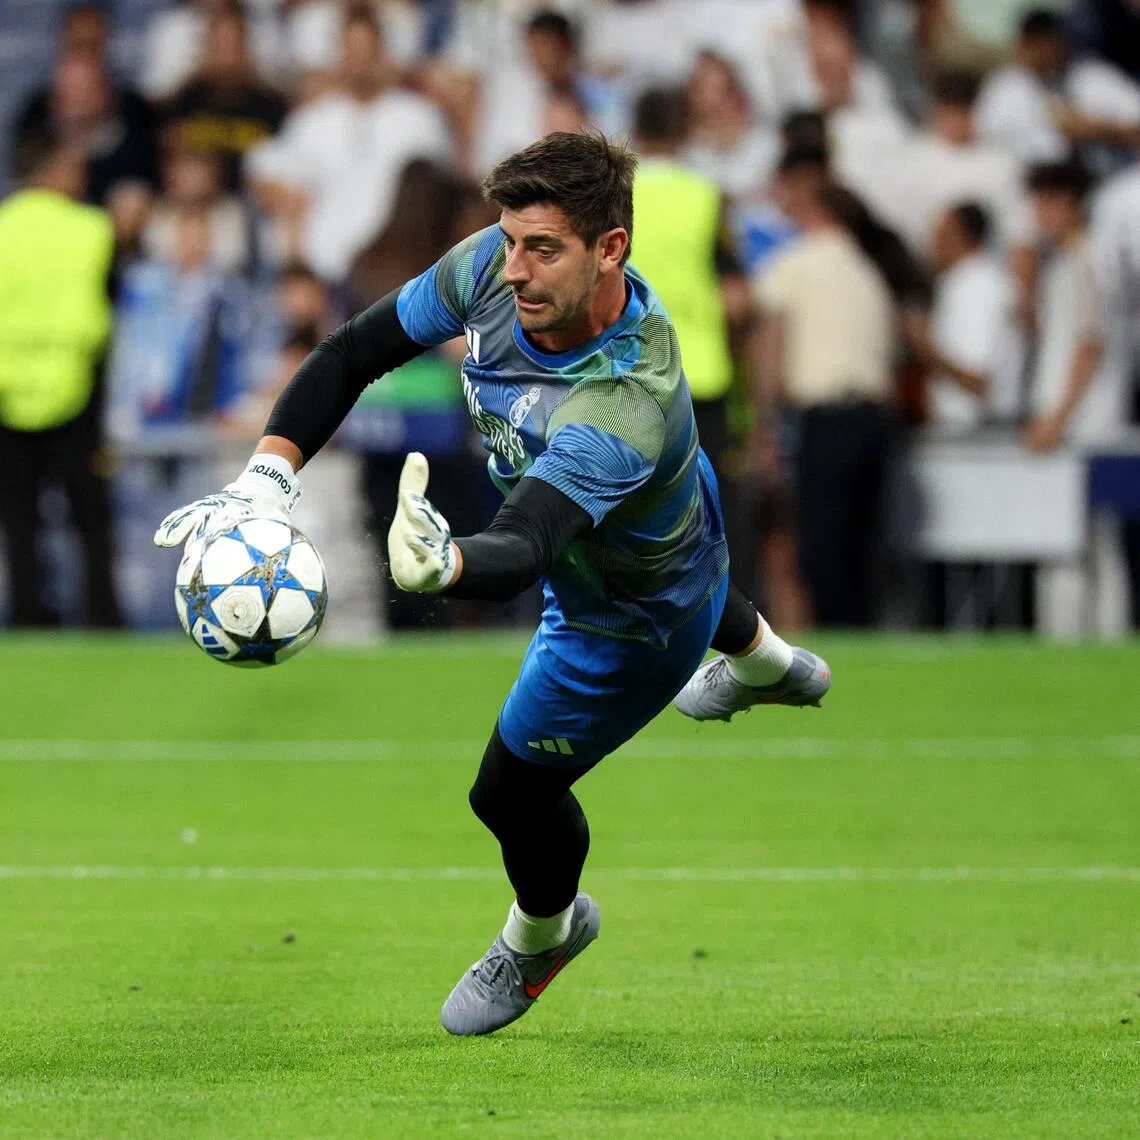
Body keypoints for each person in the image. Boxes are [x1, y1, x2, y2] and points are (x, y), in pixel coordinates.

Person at [152, 131, 830, 1036]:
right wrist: (267, 477)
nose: (513, 268)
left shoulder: (626, 397)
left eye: (541, 248)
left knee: (506, 797)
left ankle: (542, 933)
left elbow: (533, 541)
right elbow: (353, 352)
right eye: (510, 239)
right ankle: (769, 662)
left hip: (626, 617)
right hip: (664, 523)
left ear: (611, 250)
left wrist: (450, 563)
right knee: (676, 559)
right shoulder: (493, 267)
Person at [754, 151, 898, 627]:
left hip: (827, 418)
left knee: (823, 544)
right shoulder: (870, 274)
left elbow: (771, 348)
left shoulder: (792, 265)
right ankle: (866, 632)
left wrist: (764, 423)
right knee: (864, 542)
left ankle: (838, 640)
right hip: (877, 419)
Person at [0, 125, 122, 628]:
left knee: (19, 520)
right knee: (90, 519)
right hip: (76, 385)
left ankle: (28, 617)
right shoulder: (92, 227)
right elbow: (106, 305)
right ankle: (102, 617)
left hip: (7, 389)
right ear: (51, 169)